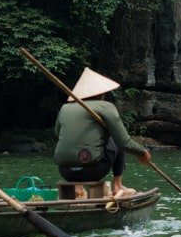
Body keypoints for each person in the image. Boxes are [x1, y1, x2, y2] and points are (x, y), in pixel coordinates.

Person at [53, 67, 151, 197]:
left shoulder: (65, 108)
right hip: (93, 170)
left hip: (66, 172)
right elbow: (124, 142)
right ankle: (117, 186)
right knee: (115, 139)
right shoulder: (105, 107)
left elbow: (57, 133)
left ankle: (77, 186)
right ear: (101, 93)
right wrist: (142, 151)